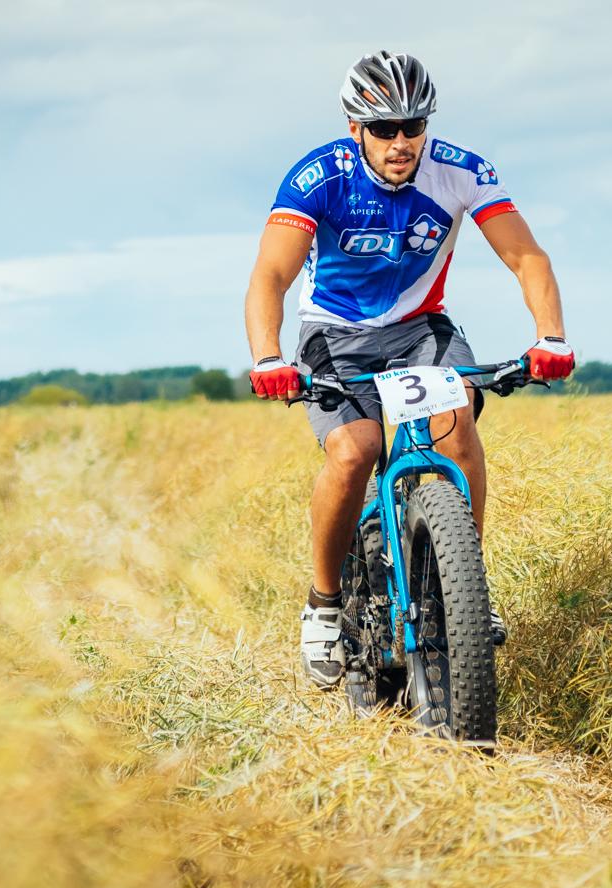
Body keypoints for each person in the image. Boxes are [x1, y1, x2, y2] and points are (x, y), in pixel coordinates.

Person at [243, 50, 574, 690]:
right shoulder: (318, 178)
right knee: (356, 451)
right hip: (333, 333)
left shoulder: (461, 172)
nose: (402, 142)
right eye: (385, 129)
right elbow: (272, 275)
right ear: (355, 128)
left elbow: (526, 257)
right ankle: (323, 604)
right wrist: (267, 356)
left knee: (453, 425)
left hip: (422, 329)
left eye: (413, 126)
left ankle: (463, 581)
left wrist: (550, 336)